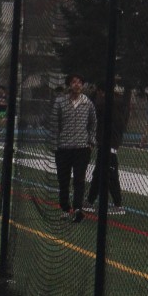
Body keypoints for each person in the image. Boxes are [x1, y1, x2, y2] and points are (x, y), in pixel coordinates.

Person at [50, 74, 96, 222]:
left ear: (82, 85)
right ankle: (65, 208)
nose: (77, 84)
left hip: (82, 149)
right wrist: (55, 144)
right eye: (74, 82)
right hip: (63, 148)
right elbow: (54, 124)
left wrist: (90, 142)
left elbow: (93, 123)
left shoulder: (87, 103)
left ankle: (77, 209)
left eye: (80, 82)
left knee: (79, 180)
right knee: (63, 180)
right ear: (69, 85)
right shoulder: (60, 102)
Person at [86, 85, 128, 214]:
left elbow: (95, 110)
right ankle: (90, 201)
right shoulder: (114, 104)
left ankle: (118, 205)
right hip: (106, 145)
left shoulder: (108, 105)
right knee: (98, 174)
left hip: (109, 145)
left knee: (111, 176)